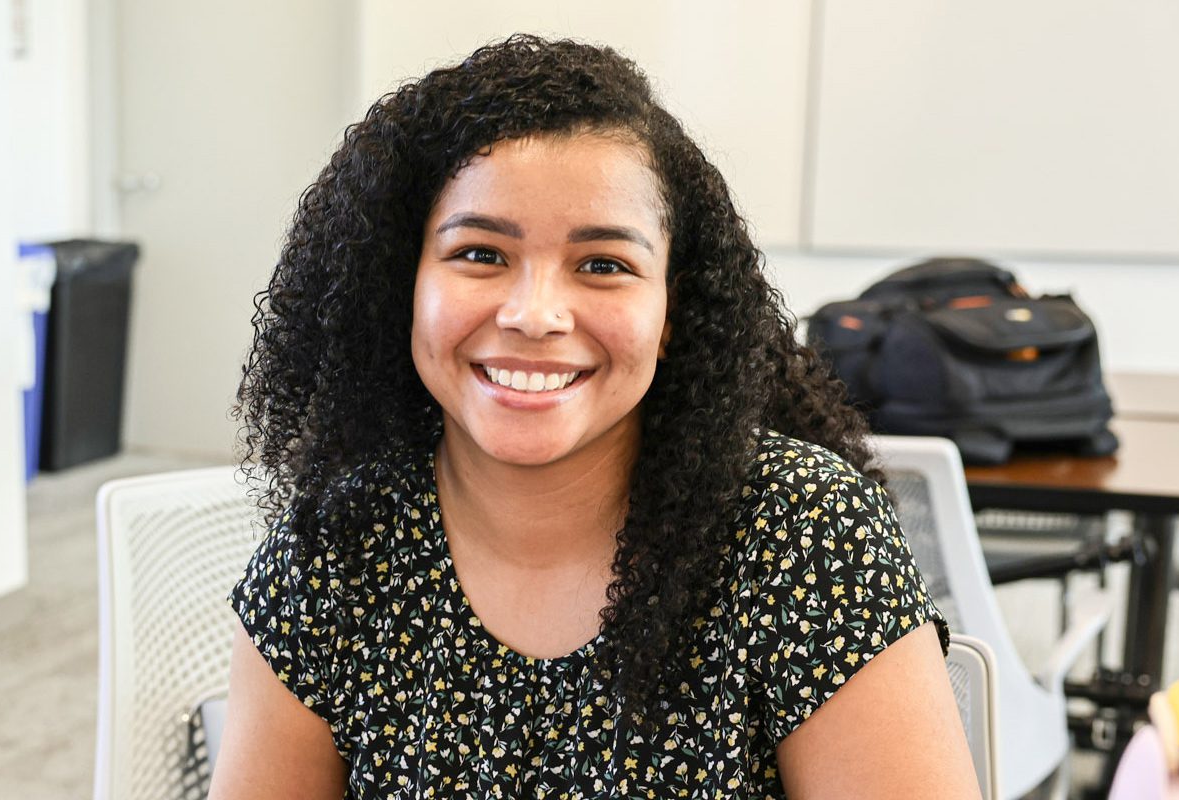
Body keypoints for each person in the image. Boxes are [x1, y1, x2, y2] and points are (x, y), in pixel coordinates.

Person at [214, 36, 977, 799]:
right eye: (480, 253)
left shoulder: (802, 533)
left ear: (672, 309)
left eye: (604, 265)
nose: (534, 313)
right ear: (402, 286)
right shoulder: (332, 557)